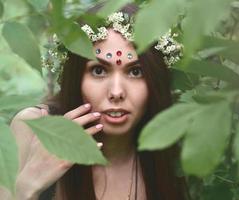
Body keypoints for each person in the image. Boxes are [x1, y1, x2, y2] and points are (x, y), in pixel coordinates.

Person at [0, 3, 189, 200]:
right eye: (98, 71)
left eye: (135, 71)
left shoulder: (169, 150)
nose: (116, 92)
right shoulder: (34, 127)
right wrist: (26, 188)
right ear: (76, 77)